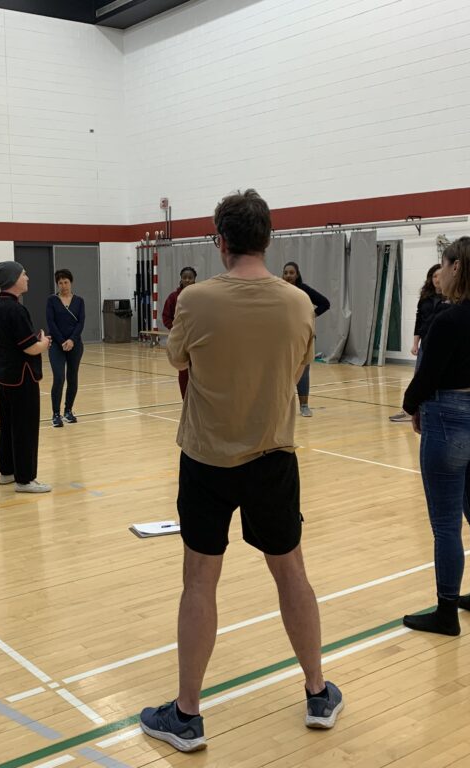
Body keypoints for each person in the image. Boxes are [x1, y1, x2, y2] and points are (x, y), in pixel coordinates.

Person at [140, 190, 343, 753]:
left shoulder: (195, 300)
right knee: (291, 574)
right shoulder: (300, 303)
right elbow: (300, 365)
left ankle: (186, 714)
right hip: (273, 458)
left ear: (220, 241)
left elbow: (177, 359)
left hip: (206, 459)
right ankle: (317, 691)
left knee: (200, 581)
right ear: (269, 239)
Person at [400, 237, 470, 636]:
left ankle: (446, 613)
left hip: (449, 417)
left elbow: (428, 377)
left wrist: (411, 406)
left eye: (442, 264)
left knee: (445, 523)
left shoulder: (448, 319)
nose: (438, 272)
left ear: (457, 267)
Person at [0, 262, 52, 493]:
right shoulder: (15, 309)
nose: (27, 278)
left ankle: (7, 471)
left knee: (7, 424)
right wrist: (43, 343)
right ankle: (25, 479)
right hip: (22, 376)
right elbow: (30, 348)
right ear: (13, 279)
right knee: (25, 426)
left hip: (4, 374)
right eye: (24, 274)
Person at [390, 264, 445, 422]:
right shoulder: (426, 297)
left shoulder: (451, 298)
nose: (437, 279)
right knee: (418, 376)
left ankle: (429, 411)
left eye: (440, 276)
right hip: (425, 343)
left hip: (440, 344)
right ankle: (411, 411)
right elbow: (419, 321)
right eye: (434, 276)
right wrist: (415, 343)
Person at [282, 261, 330, 417]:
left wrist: (310, 316)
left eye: (291, 273)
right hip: (284, 338)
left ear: (297, 275)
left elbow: (325, 303)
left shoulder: (304, 290)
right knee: (283, 371)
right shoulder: (278, 290)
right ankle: (283, 404)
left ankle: (304, 406)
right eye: (286, 273)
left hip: (304, 337)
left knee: (303, 371)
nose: (288, 276)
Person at [45, 268, 86, 427]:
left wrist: (72, 340)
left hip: (75, 344)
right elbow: (51, 322)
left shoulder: (79, 301)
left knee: (72, 377)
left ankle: (68, 410)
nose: (63, 285)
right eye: (60, 282)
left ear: (71, 282)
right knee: (59, 377)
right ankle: (56, 414)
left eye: (66, 282)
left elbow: (81, 322)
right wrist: (62, 340)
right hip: (56, 344)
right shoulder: (51, 300)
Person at [162, 267, 197, 399]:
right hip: (181, 341)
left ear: (194, 280)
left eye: (190, 277)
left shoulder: (200, 296)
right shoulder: (173, 297)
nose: (187, 280)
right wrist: (177, 330)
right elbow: (166, 317)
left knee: (200, 371)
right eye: (185, 277)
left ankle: (198, 402)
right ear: (180, 279)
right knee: (184, 372)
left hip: (196, 339)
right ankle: (185, 400)